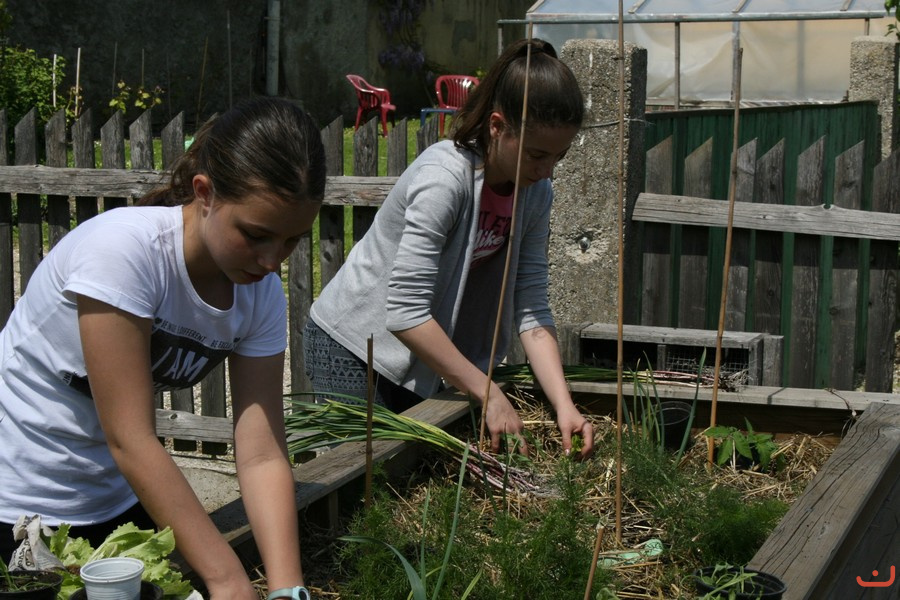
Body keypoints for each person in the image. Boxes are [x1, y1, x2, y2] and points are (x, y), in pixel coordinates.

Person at [0, 96, 325, 600]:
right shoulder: (124, 255)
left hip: (115, 503)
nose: (271, 260)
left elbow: (261, 453)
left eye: (292, 241)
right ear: (205, 193)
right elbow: (131, 438)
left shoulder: (260, 293)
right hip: (16, 506)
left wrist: (287, 588)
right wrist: (228, 581)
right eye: (256, 235)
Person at [304, 38, 594, 459]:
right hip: (352, 347)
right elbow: (405, 312)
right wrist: (488, 392)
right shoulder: (444, 179)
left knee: (401, 476)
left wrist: (564, 406)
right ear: (497, 126)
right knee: (361, 478)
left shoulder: (534, 193)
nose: (547, 170)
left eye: (559, 156)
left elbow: (531, 305)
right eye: (537, 154)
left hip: (417, 357)